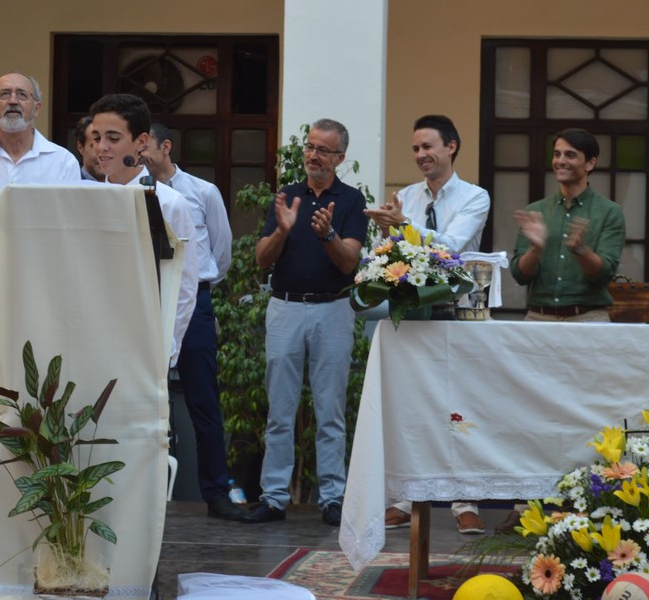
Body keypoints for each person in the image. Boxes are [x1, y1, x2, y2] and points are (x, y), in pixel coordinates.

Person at [0, 72, 80, 544]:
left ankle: (45, 520)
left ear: (37, 108)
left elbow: (67, 234)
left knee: (43, 409)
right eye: (3, 94)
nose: (12, 101)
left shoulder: (62, 162)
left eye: (21, 94)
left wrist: (29, 291)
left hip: (44, 309)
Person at [364, 114, 491, 535]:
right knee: (413, 405)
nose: (421, 155)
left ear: (451, 147)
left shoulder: (475, 196)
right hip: (413, 309)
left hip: (460, 311)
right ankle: (406, 497)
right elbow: (388, 252)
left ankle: (464, 500)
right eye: (416, 148)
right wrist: (388, 234)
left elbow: (452, 246)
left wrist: (402, 226)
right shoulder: (406, 198)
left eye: (428, 147)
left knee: (460, 407)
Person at [244, 119, 368, 526]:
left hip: (333, 308)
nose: (313, 155)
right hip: (285, 307)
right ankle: (274, 497)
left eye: (323, 150)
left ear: (340, 159)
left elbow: (350, 262)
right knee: (280, 410)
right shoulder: (286, 196)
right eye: (310, 147)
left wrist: (328, 233)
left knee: (329, 410)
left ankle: (333, 498)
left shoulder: (351, 201)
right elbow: (262, 258)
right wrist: (282, 231)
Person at [139, 122, 240, 521]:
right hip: (146, 300)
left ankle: (216, 493)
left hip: (195, 303)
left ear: (165, 146)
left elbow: (222, 250)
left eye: (145, 144)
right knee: (143, 396)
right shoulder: (134, 191)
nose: (140, 152)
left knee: (203, 401)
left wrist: (198, 286)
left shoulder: (202, 191)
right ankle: (142, 496)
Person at [88, 95, 200, 368]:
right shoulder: (84, 199)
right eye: (96, 137)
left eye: (113, 138)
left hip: (146, 344)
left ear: (140, 142)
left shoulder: (170, 203)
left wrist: (167, 348)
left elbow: (184, 285)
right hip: (91, 339)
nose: (101, 148)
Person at [511, 129, 625, 321]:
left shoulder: (609, 212)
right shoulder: (536, 211)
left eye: (570, 155)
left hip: (588, 317)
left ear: (590, 163)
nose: (560, 161)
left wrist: (582, 251)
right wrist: (536, 249)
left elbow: (605, 274)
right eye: (557, 154)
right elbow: (519, 275)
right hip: (538, 317)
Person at [74, 115, 104, 182]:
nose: (103, 154)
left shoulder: (126, 186)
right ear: (80, 147)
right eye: (94, 146)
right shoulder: (70, 184)